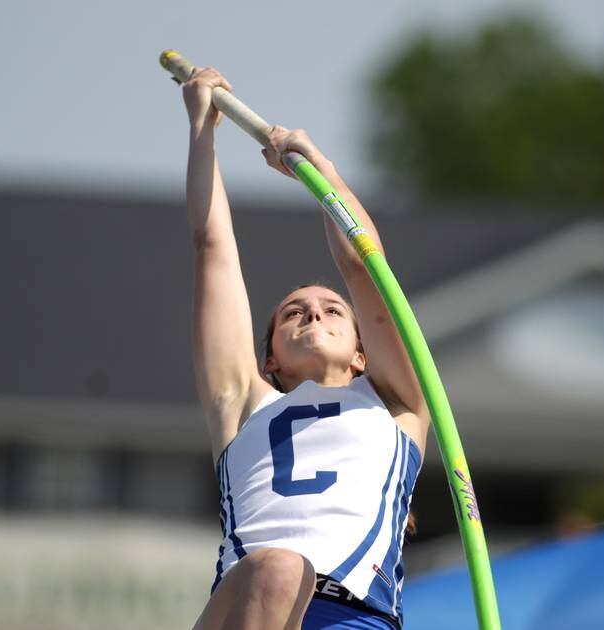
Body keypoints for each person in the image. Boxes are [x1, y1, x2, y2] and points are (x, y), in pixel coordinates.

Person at [181, 66, 429, 630]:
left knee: (284, 568)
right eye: (294, 312)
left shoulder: (397, 404)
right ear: (270, 359)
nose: (314, 311)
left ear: (362, 355)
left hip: (354, 616)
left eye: (332, 309)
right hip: (248, 605)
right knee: (277, 569)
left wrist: (324, 173)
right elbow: (211, 249)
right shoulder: (243, 402)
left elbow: (365, 266)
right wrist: (203, 128)